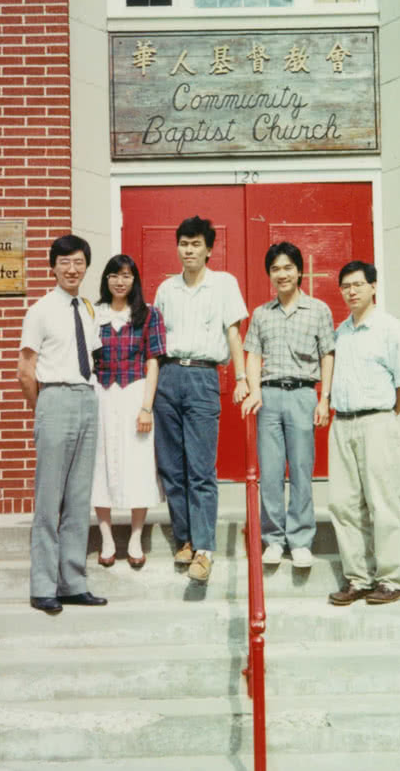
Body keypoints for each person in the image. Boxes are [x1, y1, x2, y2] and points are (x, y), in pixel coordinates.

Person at [153, 216, 249, 582]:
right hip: (169, 374)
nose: (189, 250)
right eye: (183, 244)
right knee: (171, 467)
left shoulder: (224, 284)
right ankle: (185, 539)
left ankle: (205, 550)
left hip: (204, 376)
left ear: (209, 249)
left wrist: (241, 377)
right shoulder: (166, 289)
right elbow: (156, 342)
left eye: (196, 244)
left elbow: (233, 333)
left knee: (201, 468)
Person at [17, 234, 108, 615]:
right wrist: (44, 408)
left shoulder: (87, 309)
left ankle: (72, 582)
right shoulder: (40, 310)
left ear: (86, 267)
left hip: (87, 399)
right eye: (65, 262)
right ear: (52, 267)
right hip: (53, 398)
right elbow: (25, 369)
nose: (72, 269)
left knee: (78, 499)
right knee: (50, 498)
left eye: (79, 263)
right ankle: (43, 585)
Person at [326, 260, 400, 606]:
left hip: (378, 421)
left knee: (383, 502)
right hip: (342, 423)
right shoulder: (340, 332)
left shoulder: (391, 329)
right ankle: (358, 579)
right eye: (346, 286)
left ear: (374, 287)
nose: (351, 291)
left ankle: (390, 579)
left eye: (358, 284)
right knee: (343, 504)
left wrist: (384, 417)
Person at [240, 241, 335, 569]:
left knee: (300, 469)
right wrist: (254, 391)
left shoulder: (319, 310)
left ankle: (301, 539)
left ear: (299, 271)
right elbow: (252, 355)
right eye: (275, 269)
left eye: (287, 268)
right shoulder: (262, 314)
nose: (282, 274)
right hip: (269, 396)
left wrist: (324, 398)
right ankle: (274, 540)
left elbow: (328, 355)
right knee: (269, 472)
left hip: (303, 395)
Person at [90, 254, 167, 569]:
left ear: (134, 281)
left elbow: (153, 361)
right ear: (106, 279)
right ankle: (107, 537)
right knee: (100, 463)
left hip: (135, 395)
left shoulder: (149, 315)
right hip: (102, 396)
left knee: (137, 463)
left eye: (126, 276)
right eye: (113, 275)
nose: (119, 282)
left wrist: (147, 407)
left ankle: (135, 537)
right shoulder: (93, 313)